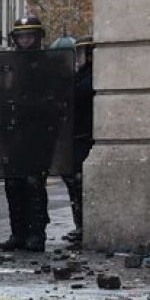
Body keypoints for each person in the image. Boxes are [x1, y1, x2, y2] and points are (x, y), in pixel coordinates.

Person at [2, 16, 50, 252]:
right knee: (13, 183)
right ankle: (17, 232)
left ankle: (36, 233)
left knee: (33, 184)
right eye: (21, 37)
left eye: (30, 36)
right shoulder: (9, 63)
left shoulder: (47, 63)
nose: (25, 41)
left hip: (37, 132)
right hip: (14, 132)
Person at [63, 36, 95, 246]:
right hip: (76, 136)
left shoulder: (91, 78)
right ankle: (80, 225)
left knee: (79, 182)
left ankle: (84, 225)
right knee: (74, 183)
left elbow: (76, 95)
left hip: (85, 136)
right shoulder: (80, 76)